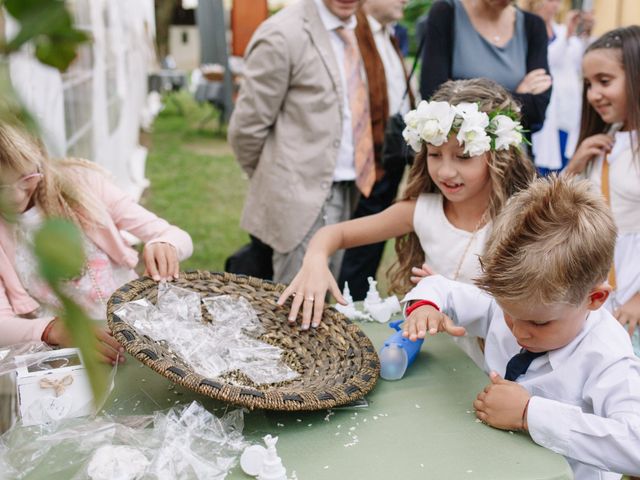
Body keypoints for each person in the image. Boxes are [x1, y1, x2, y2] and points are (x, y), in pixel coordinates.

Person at [278, 78, 536, 366]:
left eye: (463, 157)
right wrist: (315, 258)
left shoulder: (521, 221)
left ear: (497, 156)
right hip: (440, 360)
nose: (446, 171)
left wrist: (446, 295)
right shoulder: (420, 212)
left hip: (501, 362)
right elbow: (334, 234)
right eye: (435, 155)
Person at [402, 175, 640, 479]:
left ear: (594, 298)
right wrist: (424, 306)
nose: (518, 331)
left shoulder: (606, 355)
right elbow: (442, 288)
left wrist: (531, 414)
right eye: (508, 313)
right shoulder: (515, 306)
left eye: (539, 323)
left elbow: (635, 445)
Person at [0, 124, 193, 364]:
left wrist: (165, 243)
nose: (16, 196)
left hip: (138, 328)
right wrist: (52, 329)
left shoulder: (83, 184)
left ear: (39, 157)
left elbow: (175, 234)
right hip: (69, 354)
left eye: (26, 178)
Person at [228, 0, 374, 285]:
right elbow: (246, 129)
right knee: (298, 314)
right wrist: (281, 183)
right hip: (301, 199)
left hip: (348, 189)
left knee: (324, 303)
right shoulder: (282, 34)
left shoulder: (354, 28)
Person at [564, 26, 640, 357]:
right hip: (601, 295)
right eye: (589, 84)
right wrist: (574, 166)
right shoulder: (605, 139)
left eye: (604, 81)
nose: (593, 94)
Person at [339, 0, 414, 300]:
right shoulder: (351, 33)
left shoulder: (389, 35)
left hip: (389, 160)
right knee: (356, 254)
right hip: (364, 164)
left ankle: (355, 309)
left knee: (369, 251)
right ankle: (347, 313)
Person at [419, 0, 551, 134]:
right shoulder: (446, 13)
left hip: (514, 151)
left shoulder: (533, 26)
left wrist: (466, 96)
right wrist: (516, 98)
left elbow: (537, 112)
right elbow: (435, 99)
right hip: (458, 149)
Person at [523, 0, 593, 174]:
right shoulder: (528, 29)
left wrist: (584, 33)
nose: (556, 4)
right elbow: (547, 60)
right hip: (547, 103)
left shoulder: (561, 30)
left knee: (566, 152)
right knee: (543, 157)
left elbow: (580, 60)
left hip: (568, 106)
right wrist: (567, 36)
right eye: (551, 0)